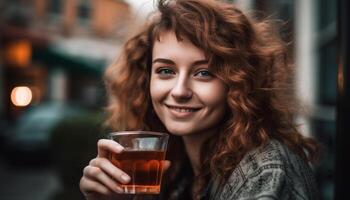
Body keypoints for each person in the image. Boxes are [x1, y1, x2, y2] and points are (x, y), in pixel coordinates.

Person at [79, 0, 320, 199]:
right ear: (146, 78)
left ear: (239, 83)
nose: (179, 90)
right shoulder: (178, 167)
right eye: (166, 71)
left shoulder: (265, 174)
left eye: (204, 73)